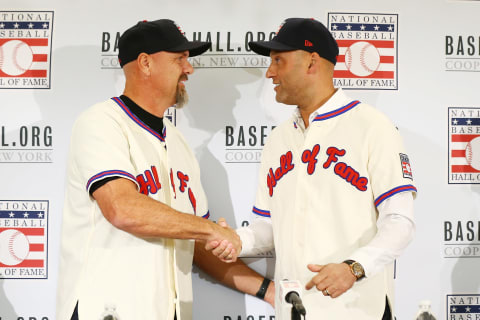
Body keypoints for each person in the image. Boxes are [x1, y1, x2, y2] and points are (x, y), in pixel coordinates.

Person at [56, 19, 273, 320]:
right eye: (179, 59)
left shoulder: (179, 143)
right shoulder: (102, 122)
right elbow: (122, 208)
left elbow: (198, 244)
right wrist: (209, 229)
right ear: (145, 63)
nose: (189, 69)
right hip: (108, 310)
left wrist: (269, 291)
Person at [218, 18, 417, 320]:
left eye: (278, 61)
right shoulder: (278, 139)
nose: (269, 72)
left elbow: (400, 222)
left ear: (311, 61)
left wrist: (354, 267)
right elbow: (268, 227)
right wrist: (237, 240)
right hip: (293, 309)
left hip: (357, 309)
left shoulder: (372, 126)